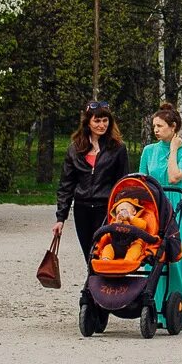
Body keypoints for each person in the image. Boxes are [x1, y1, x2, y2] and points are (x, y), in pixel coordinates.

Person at [139, 103, 182, 327]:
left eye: (160, 126)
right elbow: (142, 180)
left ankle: (180, 310)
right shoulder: (149, 151)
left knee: (177, 258)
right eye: (154, 126)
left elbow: (175, 177)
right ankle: (153, 307)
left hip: (177, 203)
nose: (156, 130)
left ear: (173, 128)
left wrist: (173, 149)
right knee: (153, 255)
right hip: (155, 205)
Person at [53, 101, 129, 265]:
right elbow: (66, 185)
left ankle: (101, 288)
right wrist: (61, 218)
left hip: (106, 209)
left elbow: (123, 184)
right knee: (89, 253)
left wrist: (121, 209)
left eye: (105, 121)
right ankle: (94, 287)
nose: (102, 125)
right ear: (88, 122)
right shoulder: (75, 149)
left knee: (104, 252)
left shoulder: (118, 148)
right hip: (82, 209)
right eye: (97, 121)